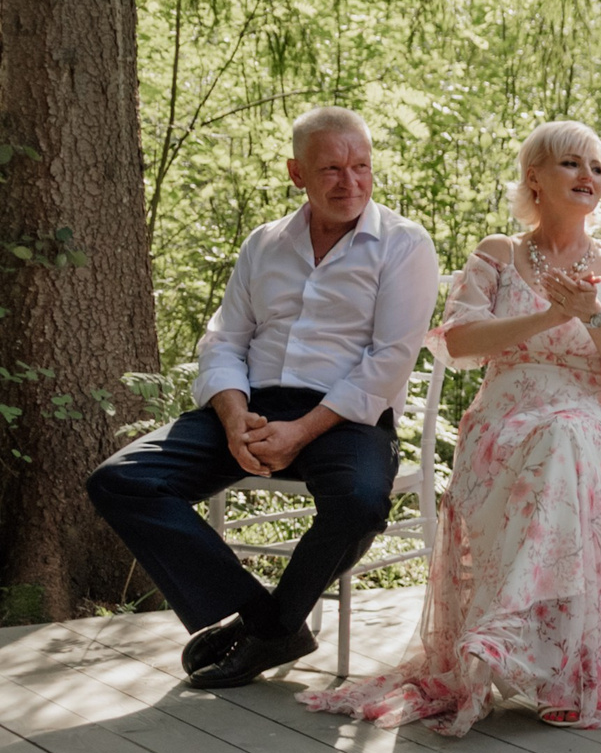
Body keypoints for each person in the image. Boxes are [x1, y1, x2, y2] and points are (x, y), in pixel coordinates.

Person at [301, 121, 601, 735]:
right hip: (504, 421)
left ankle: (529, 650)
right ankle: (532, 655)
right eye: (572, 164)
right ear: (534, 178)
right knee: (555, 443)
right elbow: (462, 342)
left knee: (566, 439)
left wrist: (592, 314)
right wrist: (550, 315)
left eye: (597, 168)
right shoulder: (499, 253)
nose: (588, 177)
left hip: (587, 421)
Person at [88, 107, 440, 690]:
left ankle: (270, 627)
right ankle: (267, 621)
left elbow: (390, 360)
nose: (350, 182)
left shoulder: (403, 244)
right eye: (331, 169)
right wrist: (233, 419)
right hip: (249, 407)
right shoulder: (264, 244)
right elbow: (224, 339)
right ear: (296, 173)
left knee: (359, 503)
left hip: (344, 417)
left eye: (361, 166)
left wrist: (300, 431)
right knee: (120, 480)